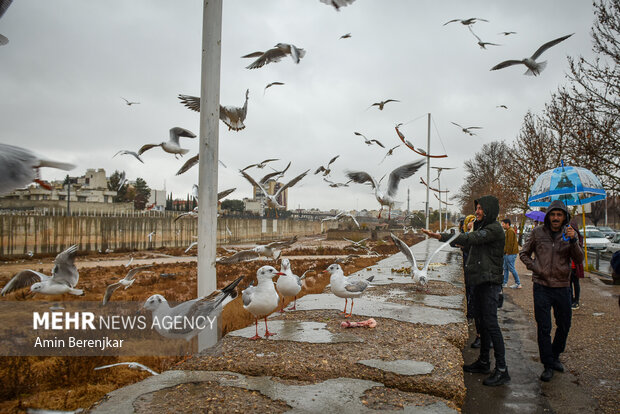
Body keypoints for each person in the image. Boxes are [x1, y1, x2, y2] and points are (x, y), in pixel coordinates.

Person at [423, 195, 509, 386]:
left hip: (489, 283)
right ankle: (484, 361)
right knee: (482, 323)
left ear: (490, 211)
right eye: (476, 208)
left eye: (480, 209)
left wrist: (441, 236)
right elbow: (465, 242)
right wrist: (446, 239)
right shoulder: (481, 227)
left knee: (491, 324)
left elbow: (471, 238)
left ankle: (502, 369)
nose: (477, 212)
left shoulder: (494, 229)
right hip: (479, 281)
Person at [519, 200, 584, 382]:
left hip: (563, 286)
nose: (556, 218)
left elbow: (579, 260)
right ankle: (547, 364)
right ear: (548, 216)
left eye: (559, 215)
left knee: (564, 325)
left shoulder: (570, 234)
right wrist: (535, 267)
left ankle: (555, 355)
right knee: (544, 327)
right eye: (553, 214)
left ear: (565, 217)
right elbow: (524, 253)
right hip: (542, 286)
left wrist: (573, 241)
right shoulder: (537, 233)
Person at [501, 218, 521, 289]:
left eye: (503, 224)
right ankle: (505, 283)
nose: (502, 225)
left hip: (510, 254)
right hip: (509, 253)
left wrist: (507, 252)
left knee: (511, 268)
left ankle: (518, 283)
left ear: (507, 224)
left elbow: (509, 244)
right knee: (505, 268)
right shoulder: (508, 231)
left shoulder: (510, 231)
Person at [569, 217, 584, 309]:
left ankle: (576, 300)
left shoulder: (577, 237)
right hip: (569, 264)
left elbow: (578, 252)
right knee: (569, 283)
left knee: (576, 283)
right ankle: (571, 299)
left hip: (575, 264)